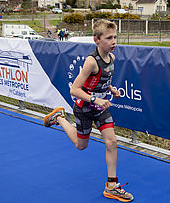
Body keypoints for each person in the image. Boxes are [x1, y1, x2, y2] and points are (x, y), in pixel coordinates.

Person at [43, 19, 134, 202]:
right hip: (84, 108)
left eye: (115, 37)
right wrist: (95, 99)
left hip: (100, 109)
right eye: (108, 38)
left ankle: (111, 187)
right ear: (96, 40)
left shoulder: (112, 58)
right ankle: (60, 118)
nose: (114, 41)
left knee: (112, 142)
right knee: (81, 145)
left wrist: (111, 89)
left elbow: (102, 81)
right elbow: (74, 89)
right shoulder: (91, 62)